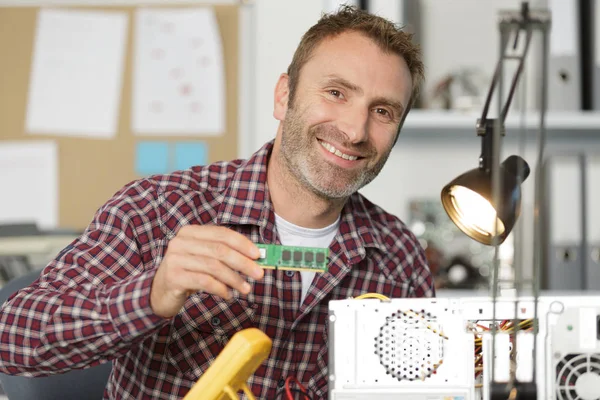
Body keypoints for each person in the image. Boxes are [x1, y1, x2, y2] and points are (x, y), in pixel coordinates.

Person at [0, 5, 434, 399]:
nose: (355, 130)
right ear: (284, 96)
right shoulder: (156, 209)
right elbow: (12, 341)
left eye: (383, 111)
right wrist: (153, 293)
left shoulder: (399, 256)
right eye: (336, 93)